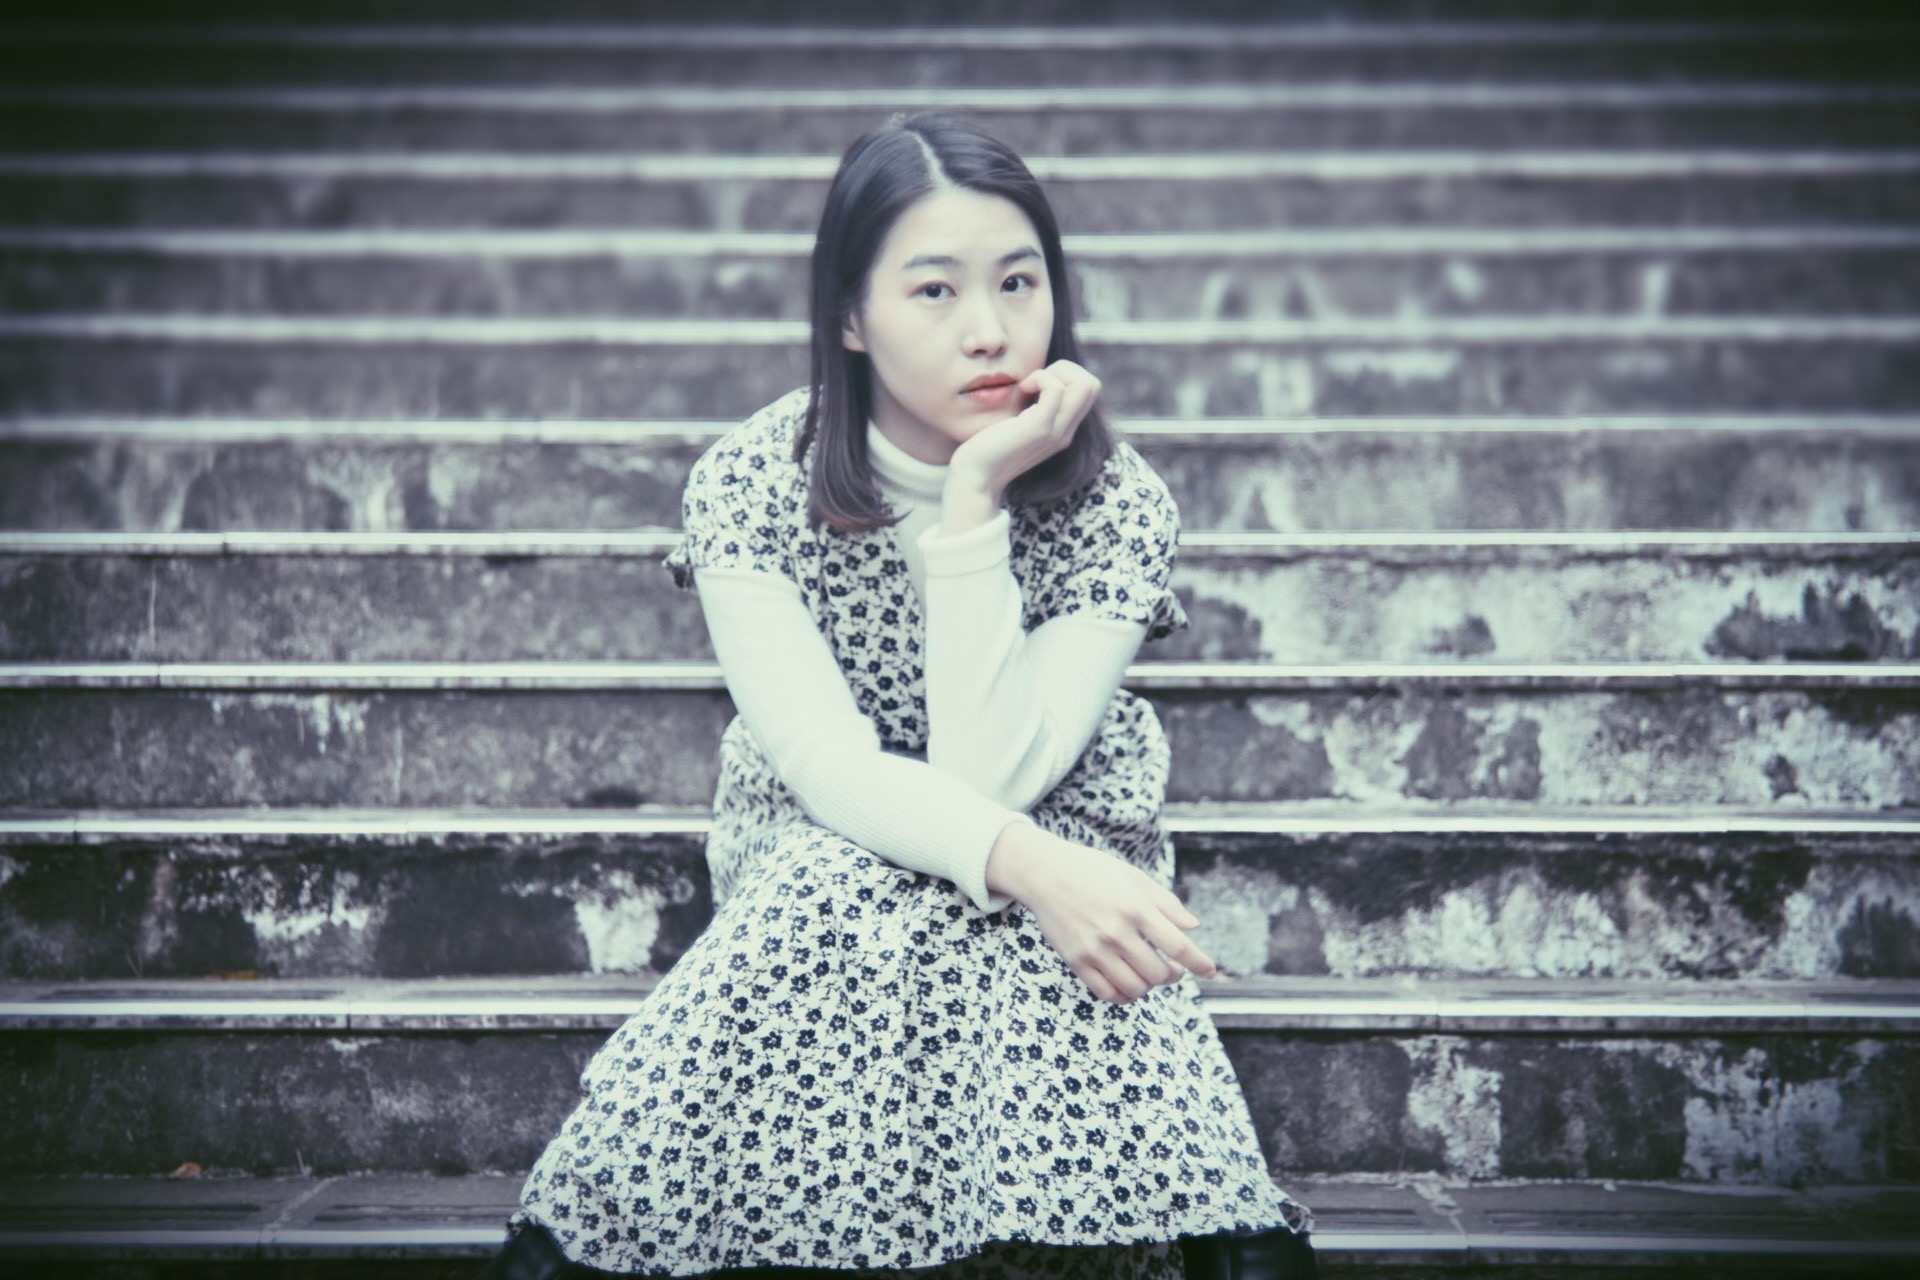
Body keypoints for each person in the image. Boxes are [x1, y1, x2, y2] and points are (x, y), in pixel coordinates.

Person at [478, 110, 1316, 1280]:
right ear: (850, 317)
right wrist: (1033, 866)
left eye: (1019, 281)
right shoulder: (752, 484)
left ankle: (558, 1252)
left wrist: (975, 501)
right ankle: (1236, 1234)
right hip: (828, 839)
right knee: (848, 873)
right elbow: (829, 766)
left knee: (1030, 899)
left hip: (1055, 815)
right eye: (935, 290)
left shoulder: (1116, 502)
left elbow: (990, 775)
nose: (990, 329)